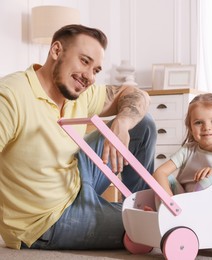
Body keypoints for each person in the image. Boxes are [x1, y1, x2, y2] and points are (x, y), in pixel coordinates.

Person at [0, 24, 157, 250]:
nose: (89, 77)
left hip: (77, 176)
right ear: (56, 51)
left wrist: (122, 122)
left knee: (142, 123)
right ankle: (138, 221)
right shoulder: (10, 96)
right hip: (46, 219)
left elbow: (137, 94)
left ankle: (137, 204)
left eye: (96, 70)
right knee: (150, 227)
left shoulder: (78, 91)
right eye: (84, 61)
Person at [152, 93, 212, 208]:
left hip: (210, 208)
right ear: (190, 127)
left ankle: (191, 214)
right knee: (164, 180)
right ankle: (162, 213)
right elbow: (159, 173)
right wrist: (168, 199)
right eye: (198, 122)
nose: (206, 127)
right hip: (179, 206)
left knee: (209, 179)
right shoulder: (188, 150)